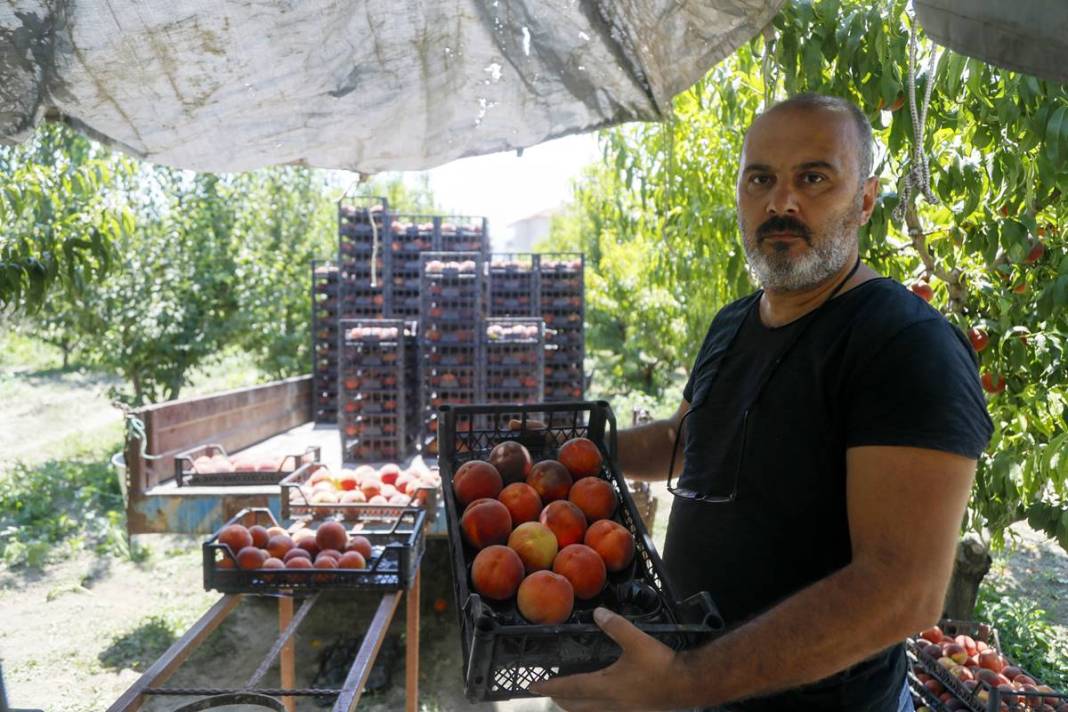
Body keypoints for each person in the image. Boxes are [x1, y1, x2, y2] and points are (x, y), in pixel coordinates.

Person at [531, 93, 993, 711]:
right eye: (761, 179)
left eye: (814, 177)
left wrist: (683, 684)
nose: (781, 202)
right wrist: (561, 446)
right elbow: (684, 442)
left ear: (866, 199)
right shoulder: (732, 323)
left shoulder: (904, 344)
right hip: (701, 683)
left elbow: (903, 590)